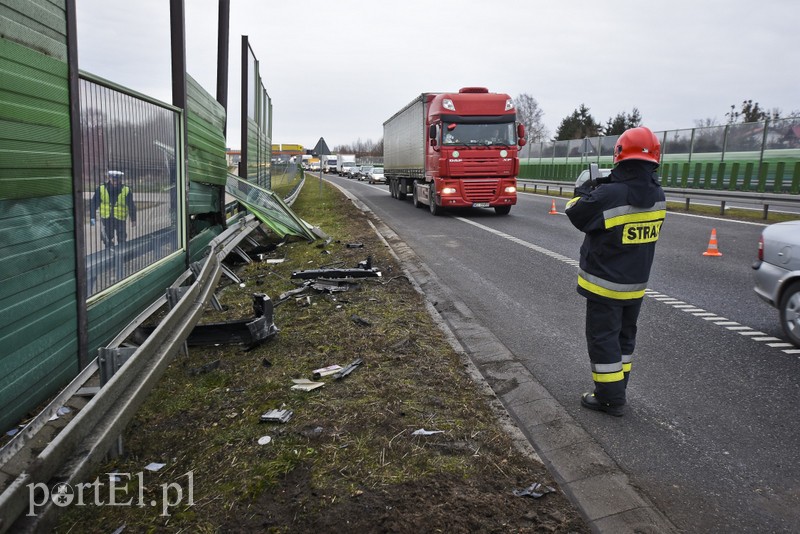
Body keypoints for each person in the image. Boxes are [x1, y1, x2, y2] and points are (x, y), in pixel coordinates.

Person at [564, 126, 666, 416]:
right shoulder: (659, 195)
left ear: (619, 155)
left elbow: (576, 212)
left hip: (604, 284)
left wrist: (584, 190)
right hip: (635, 285)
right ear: (655, 159)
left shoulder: (609, 194)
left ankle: (609, 398)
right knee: (624, 340)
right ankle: (619, 387)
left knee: (602, 339)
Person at [90, 170, 137, 249]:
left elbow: (131, 205)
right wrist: (92, 216)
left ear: (120, 179)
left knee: (122, 238)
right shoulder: (101, 189)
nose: (115, 182)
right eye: (113, 180)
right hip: (106, 218)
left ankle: (122, 255)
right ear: (109, 178)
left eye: (117, 180)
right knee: (107, 238)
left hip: (120, 218)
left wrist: (133, 219)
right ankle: (110, 254)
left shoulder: (126, 190)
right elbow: (94, 203)